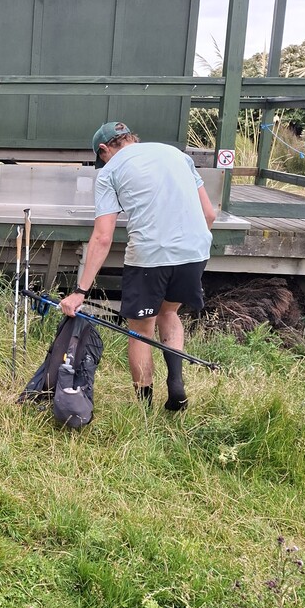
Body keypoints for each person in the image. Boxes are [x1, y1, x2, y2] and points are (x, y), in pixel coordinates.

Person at [59, 122, 217, 411]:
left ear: (104, 149)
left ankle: (145, 411)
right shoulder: (177, 155)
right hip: (194, 251)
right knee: (169, 312)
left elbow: (103, 236)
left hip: (150, 256)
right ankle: (176, 383)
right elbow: (209, 214)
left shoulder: (110, 171)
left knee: (141, 330)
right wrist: (188, 245)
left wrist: (80, 291)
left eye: (101, 157)